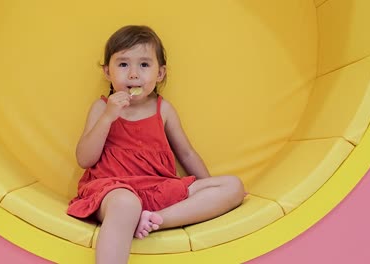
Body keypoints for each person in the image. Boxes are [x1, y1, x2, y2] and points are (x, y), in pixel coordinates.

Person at [67, 25, 245, 264]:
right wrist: (109, 117)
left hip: (159, 190)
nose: (133, 74)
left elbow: (187, 154)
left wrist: (205, 188)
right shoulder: (102, 108)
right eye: (122, 65)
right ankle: (135, 217)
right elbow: (85, 159)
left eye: (144, 65)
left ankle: (154, 220)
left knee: (232, 186)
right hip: (111, 191)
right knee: (125, 203)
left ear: (160, 73)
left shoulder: (164, 110)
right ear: (107, 72)